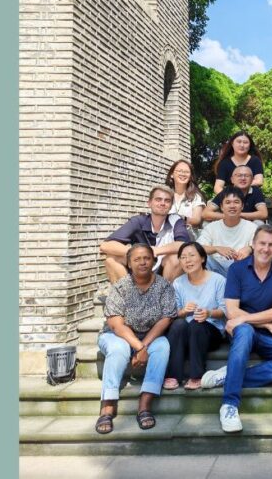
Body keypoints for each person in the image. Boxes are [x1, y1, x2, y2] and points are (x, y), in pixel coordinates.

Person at [200, 225, 272, 433]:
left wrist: (254, 320)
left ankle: (230, 376)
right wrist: (265, 323)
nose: (266, 248)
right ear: (253, 244)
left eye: (271, 245)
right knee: (244, 331)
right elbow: (231, 310)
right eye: (262, 243)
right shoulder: (237, 269)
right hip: (245, 331)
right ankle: (229, 404)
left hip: (270, 333)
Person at [95, 244, 176, 434]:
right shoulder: (121, 287)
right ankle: (108, 406)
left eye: (147, 258)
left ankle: (145, 405)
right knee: (118, 350)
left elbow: (166, 318)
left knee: (162, 346)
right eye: (137, 259)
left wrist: (144, 345)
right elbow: (117, 324)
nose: (142, 262)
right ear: (129, 264)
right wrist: (139, 347)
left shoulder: (163, 286)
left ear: (154, 262)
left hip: (149, 335)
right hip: (118, 335)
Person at [163, 242, 226, 391]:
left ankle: (196, 375)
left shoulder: (218, 280)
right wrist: (184, 311)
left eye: (192, 255)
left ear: (203, 258)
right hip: (186, 333)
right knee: (178, 324)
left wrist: (209, 313)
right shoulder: (178, 283)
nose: (187, 260)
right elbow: (174, 313)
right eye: (183, 257)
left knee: (196, 324)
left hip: (211, 332)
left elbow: (225, 310)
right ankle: (173, 375)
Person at [100, 185, 189, 283]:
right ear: (149, 203)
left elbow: (183, 244)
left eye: (167, 201)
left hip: (163, 272)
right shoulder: (138, 221)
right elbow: (105, 245)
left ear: (171, 206)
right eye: (158, 199)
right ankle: (129, 295)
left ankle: (162, 295)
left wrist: (157, 251)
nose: (162, 203)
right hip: (139, 269)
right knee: (112, 259)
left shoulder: (176, 220)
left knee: (176, 258)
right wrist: (138, 252)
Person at [197, 188, 257, 276]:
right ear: (221, 206)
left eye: (236, 202)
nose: (232, 206)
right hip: (216, 269)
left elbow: (262, 247)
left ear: (242, 206)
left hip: (241, 269)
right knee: (201, 257)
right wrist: (216, 248)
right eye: (228, 202)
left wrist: (250, 249)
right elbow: (197, 248)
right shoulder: (211, 227)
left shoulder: (252, 227)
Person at [202, 164, 268, 224]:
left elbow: (264, 213)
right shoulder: (226, 192)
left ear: (252, 180)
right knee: (206, 223)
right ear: (232, 179)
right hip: (229, 224)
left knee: (259, 223)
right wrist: (228, 216)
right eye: (239, 175)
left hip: (248, 225)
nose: (243, 178)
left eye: (247, 175)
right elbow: (205, 213)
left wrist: (238, 215)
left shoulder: (255, 191)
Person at [165, 159, 205, 240]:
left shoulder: (196, 196)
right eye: (179, 171)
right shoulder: (165, 195)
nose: (183, 174)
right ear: (172, 174)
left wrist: (179, 218)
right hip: (166, 237)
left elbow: (197, 220)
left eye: (186, 172)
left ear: (190, 177)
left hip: (188, 239)